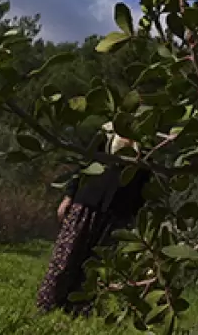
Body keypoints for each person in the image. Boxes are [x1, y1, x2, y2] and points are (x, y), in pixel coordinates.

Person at [37, 123, 149, 315]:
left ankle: (77, 312)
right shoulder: (107, 130)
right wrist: (69, 195)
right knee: (66, 257)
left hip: (118, 212)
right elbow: (85, 161)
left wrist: (134, 215)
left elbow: (145, 183)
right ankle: (46, 305)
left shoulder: (149, 142)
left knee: (94, 267)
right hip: (87, 200)